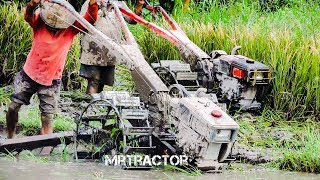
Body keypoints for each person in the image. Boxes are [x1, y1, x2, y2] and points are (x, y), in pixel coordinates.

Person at [6, 0, 98, 139]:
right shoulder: (40, 22)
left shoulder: (71, 28)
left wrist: (93, 4)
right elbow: (28, 15)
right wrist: (32, 4)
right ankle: (10, 137)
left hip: (52, 79)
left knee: (47, 116)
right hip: (29, 73)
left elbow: (89, 20)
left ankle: (45, 149)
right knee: (13, 107)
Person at [79, 0, 144, 94]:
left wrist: (139, 5)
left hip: (111, 50)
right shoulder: (90, 2)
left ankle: (97, 103)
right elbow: (82, 22)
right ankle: (92, 106)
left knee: (102, 81)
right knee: (94, 80)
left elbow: (132, 20)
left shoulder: (119, 4)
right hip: (93, 49)